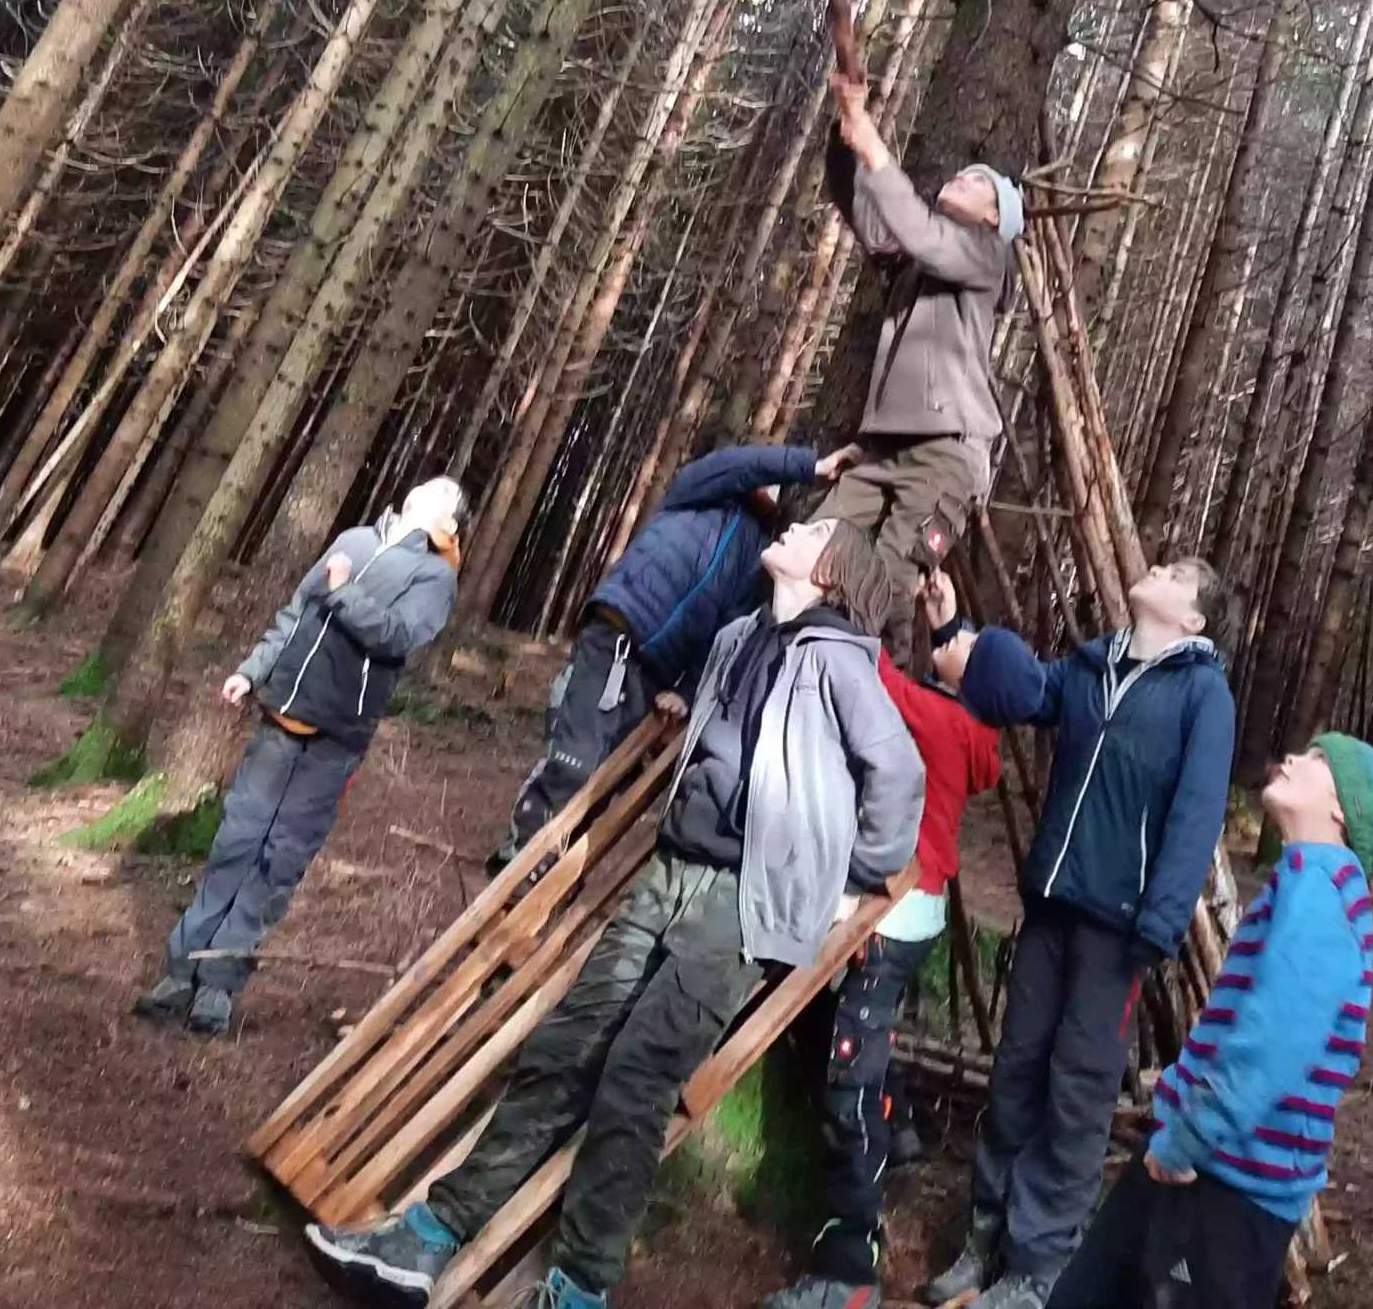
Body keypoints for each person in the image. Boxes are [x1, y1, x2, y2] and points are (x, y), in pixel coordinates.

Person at [308, 514, 925, 1308]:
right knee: (566, 1045)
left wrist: (836, 869)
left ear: (833, 573)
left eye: (814, 529)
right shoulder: (740, 635)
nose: (797, 524)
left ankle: (576, 1291)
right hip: (672, 871)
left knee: (637, 1083)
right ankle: (425, 1242)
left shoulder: (840, 664)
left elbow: (897, 782)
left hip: (740, 904)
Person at [925, 556, 1236, 1309]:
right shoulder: (1093, 663)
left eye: (1175, 573)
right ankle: (986, 1237)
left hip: (1120, 930)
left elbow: (1196, 818)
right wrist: (948, 625)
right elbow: (1020, 690)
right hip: (1052, 908)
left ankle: (1037, 1267)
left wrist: (1158, 925)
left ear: (1193, 620)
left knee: (1077, 1095)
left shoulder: (1202, 694)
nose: (1157, 567)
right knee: (1017, 1071)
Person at [1048, 734, 1373, 1309]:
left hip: (1222, 1191)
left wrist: (1186, 1142)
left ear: (1342, 809)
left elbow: (1268, 1053)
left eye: (1318, 760)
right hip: (1205, 1166)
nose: (1294, 758)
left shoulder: (1320, 896)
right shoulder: (1310, 884)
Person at [132, 477, 463, 1036]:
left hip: (336, 738)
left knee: (279, 861)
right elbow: (293, 614)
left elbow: (398, 636)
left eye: (444, 492)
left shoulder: (434, 576)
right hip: (277, 720)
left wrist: (342, 593)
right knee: (235, 842)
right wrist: (250, 670)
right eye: (429, 481)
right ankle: (177, 973)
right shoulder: (354, 539)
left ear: (448, 524)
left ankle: (218, 987)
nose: (428, 487)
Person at [762, 568, 1002, 1309]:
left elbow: (867, 669)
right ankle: (898, 1133)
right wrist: (946, 623)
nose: (948, 640)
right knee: (842, 1030)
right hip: (910, 912)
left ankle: (849, 1261)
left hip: (884, 915)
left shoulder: (933, 714)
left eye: (964, 644)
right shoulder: (974, 732)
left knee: (848, 1073)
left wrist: (839, 590)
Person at [492, 440, 851, 873]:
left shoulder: (760, 557)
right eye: (764, 475)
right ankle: (520, 859)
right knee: (575, 758)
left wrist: (683, 689)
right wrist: (809, 465)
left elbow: (724, 635)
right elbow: (732, 463)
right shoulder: (702, 489)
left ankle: (551, 867)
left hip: (656, 671)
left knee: (609, 776)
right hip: (617, 633)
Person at [818, 73, 1022, 595]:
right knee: (813, 557)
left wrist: (871, 139)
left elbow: (920, 232)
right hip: (882, 450)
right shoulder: (918, 256)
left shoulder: (989, 255)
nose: (961, 176)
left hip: (945, 455)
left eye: (978, 181)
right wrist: (845, 139)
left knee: (884, 594)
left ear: (996, 216)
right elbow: (863, 209)